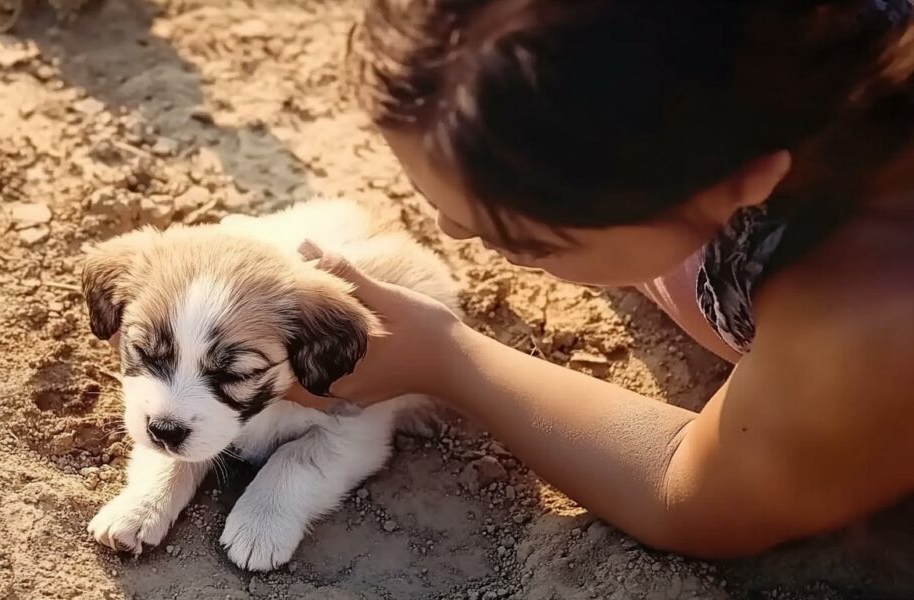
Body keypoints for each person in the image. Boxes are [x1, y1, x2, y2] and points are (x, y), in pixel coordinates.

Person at [289, 0, 914, 559]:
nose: (447, 231)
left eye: (521, 239)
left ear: (741, 184)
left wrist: (446, 357)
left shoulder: (874, 298)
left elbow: (692, 496)